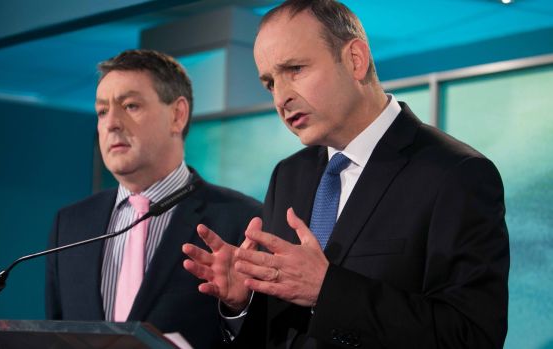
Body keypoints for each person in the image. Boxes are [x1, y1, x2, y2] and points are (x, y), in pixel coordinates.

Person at [182, 0, 510, 348]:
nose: (281, 98)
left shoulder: (456, 174)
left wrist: (328, 290)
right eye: (269, 84)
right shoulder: (288, 175)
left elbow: (471, 336)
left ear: (355, 59)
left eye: (294, 69)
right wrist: (243, 303)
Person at [45, 49, 261, 348]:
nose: (111, 124)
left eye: (130, 105)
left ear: (177, 115)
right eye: (102, 111)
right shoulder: (70, 224)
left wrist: (237, 308)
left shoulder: (241, 220)